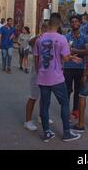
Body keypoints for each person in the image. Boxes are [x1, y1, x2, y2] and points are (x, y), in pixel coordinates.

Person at [34, 13, 82, 143]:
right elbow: (65, 58)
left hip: (43, 77)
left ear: (49, 24)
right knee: (64, 103)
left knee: (44, 105)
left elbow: (36, 58)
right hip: (57, 78)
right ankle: (66, 133)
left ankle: (46, 133)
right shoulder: (62, 39)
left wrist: (39, 72)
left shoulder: (39, 38)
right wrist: (70, 57)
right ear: (59, 24)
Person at [24, 22, 53, 132]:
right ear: (42, 28)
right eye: (45, 28)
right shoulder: (36, 38)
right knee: (34, 96)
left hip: (47, 73)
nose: (47, 30)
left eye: (48, 28)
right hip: (36, 72)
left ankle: (42, 117)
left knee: (45, 97)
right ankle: (27, 121)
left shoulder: (51, 38)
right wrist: (37, 36)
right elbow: (30, 42)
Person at [64, 16, 88, 120]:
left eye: (76, 21)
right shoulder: (66, 37)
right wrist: (80, 51)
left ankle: (75, 110)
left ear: (79, 24)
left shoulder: (85, 37)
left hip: (80, 68)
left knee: (78, 91)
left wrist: (73, 49)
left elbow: (87, 51)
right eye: (72, 21)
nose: (74, 23)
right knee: (67, 90)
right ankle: (65, 110)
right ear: (70, 24)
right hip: (68, 67)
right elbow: (65, 51)